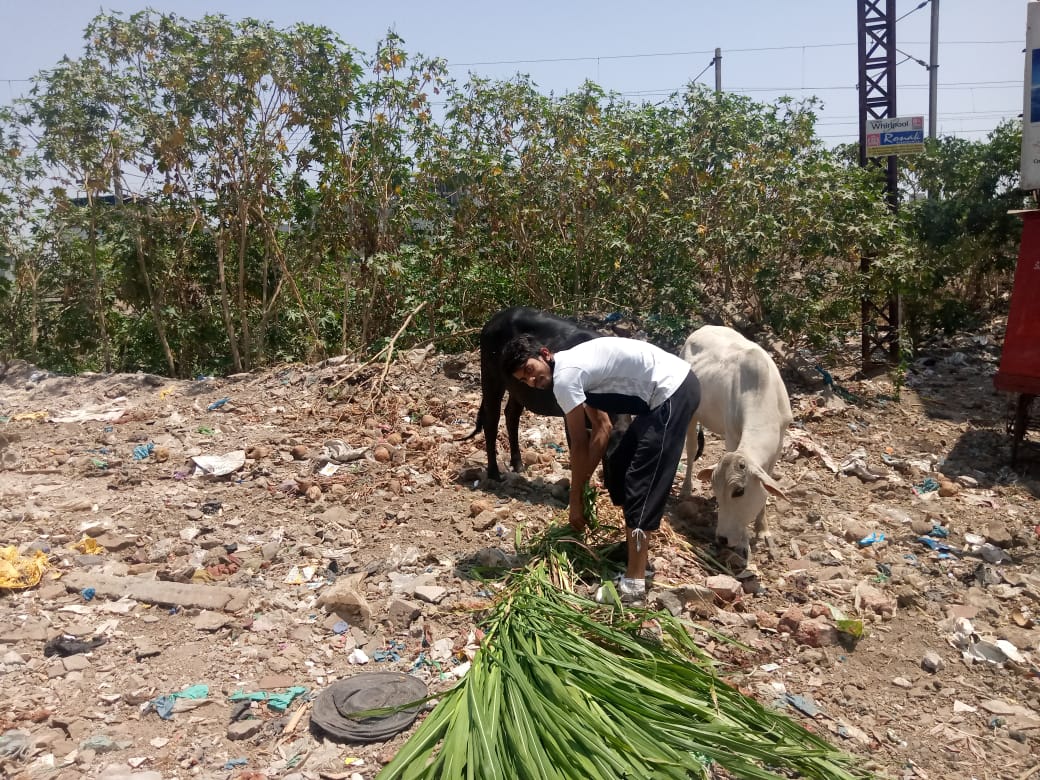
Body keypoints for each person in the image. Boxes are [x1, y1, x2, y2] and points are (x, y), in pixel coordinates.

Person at [501, 333, 700, 604]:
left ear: (544, 354)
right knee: (619, 465)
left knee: (642, 483)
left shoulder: (566, 376)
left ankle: (635, 584)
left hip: (672, 391)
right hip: (665, 394)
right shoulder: (576, 368)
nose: (532, 381)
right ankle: (632, 548)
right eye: (524, 380)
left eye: (530, 370)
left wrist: (575, 501)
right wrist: (582, 488)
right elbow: (602, 429)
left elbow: (579, 444)